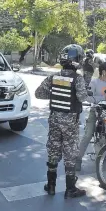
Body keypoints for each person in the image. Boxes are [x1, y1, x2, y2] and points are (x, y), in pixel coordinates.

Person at [35, 44, 88, 198]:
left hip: (54, 121)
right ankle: (70, 189)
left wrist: (55, 94)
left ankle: (51, 186)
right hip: (70, 122)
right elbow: (82, 97)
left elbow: (39, 93)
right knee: (70, 153)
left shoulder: (53, 77)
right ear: (77, 60)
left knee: (53, 150)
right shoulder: (77, 79)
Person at [75, 61, 106, 171]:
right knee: (88, 134)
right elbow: (87, 97)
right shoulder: (94, 82)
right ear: (103, 72)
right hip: (96, 111)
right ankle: (77, 159)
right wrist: (102, 98)